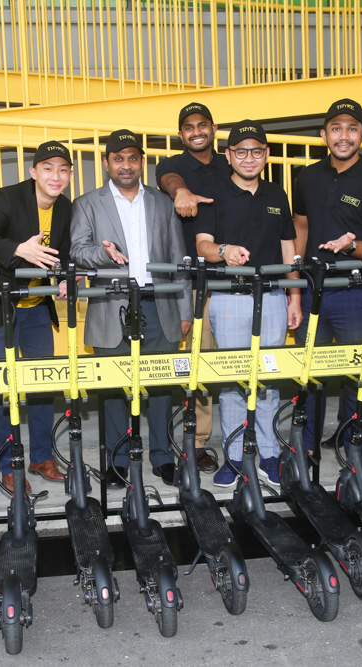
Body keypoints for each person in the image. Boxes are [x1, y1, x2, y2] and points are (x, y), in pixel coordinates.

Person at [70, 129, 192, 488]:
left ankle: (161, 457)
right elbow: (77, 252)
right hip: (111, 305)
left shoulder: (161, 202)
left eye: (133, 158)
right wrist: (102, 253)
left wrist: (185, 309)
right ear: (107, 162)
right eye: (118, 158)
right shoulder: (87, 204)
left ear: (142, 162)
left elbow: (177, 259)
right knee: (112, 388)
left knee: (160, 387)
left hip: (160, 305)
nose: (126, 165)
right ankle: (118, 460)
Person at [193, 120, 302, 487]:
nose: (249, 158)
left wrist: (294, 296)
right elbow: (203, 245)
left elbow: (289, 249)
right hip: (229, 299)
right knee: (232, 381)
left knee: (268, 380)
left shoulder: (276, 194)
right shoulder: (213, 191)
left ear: (267, 155)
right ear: (229, 155)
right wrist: (224, 251)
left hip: (271, 298)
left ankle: (269, 454)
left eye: (257, 151)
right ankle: (236, 457)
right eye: (241, 151)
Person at [292, 98, 362, 455]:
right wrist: (295, 279)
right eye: (336, 128)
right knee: (309, 374)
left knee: (355, 375)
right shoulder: (307, 176)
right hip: (311, 289)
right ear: (324, 135)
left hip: (354, 292)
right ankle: (305, 450)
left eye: (352, 128)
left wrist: (350, 247)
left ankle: (354, 448)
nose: (344, 135)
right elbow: (300, 227)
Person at [0, 140, 73, 493]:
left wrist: (63, 277)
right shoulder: (8, 197)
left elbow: (65, 253)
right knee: (6, 388)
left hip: (38, 308)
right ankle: (8, 463)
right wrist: (19, 249)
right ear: (33, 172)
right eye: (47, 168)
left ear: (70, 175)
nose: (55, 176)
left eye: (62, 169)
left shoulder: (65, 208)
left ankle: (42, 457)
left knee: (43, 383)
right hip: (3, 307)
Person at [155, 102, 227, 473]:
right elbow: (169, 180)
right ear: (181, 134)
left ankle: (196, 441)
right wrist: (181, 192)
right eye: (188, 127)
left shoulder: (230, 164)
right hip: (176, 281)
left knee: (204, 365)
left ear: (213, 128)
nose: (196, 131)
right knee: (170, 365)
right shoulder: (172, 166)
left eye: (202, 125)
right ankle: (157, 438)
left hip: (218, 281)